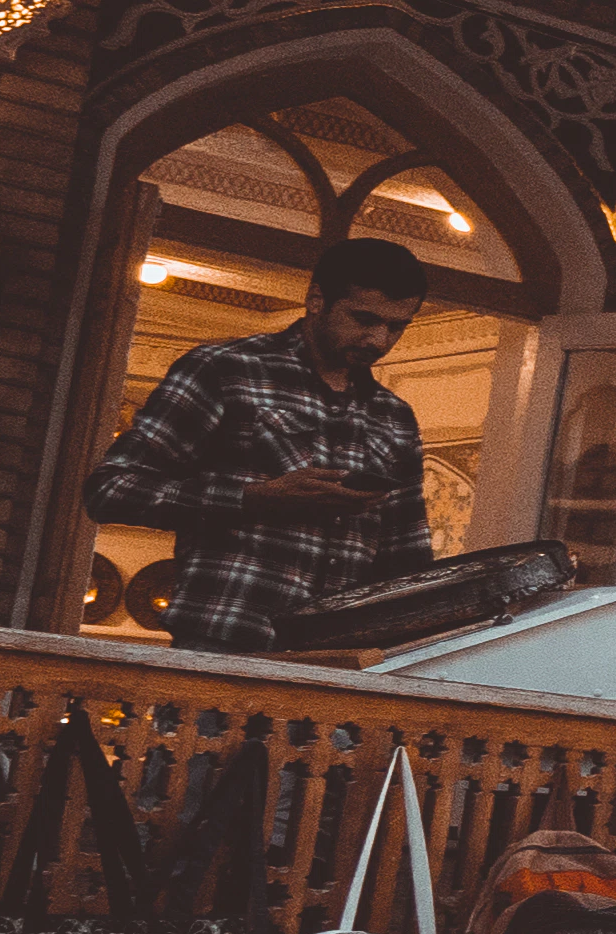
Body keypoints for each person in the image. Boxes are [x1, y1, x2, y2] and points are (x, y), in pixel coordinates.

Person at [79, 234, 570, 657]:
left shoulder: (392, 415)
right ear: (317, 299)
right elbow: (112, 489)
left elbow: (406, 561)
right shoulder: (225, 370)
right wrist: (255, 498)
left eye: (397, 326)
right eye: (363, 318)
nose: (378, 339)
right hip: (227, 640)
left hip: (338, 659)